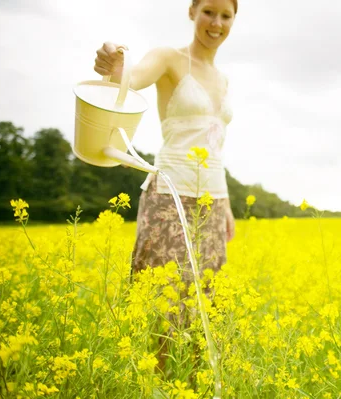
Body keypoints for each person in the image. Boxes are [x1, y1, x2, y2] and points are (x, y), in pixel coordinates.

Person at [93, 0, 238, 373]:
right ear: (192, 11)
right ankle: (156, 387)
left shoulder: (224, 79)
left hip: (213, 200)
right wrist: (114, 66)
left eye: (226, 15)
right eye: (209, 11)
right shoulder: (169, 59)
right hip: (169, 194)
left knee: (206, 305)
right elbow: (131, 80)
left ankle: (187, 386)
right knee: (164, 305)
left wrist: (227, 206)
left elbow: (215, 147)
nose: (216, 22)